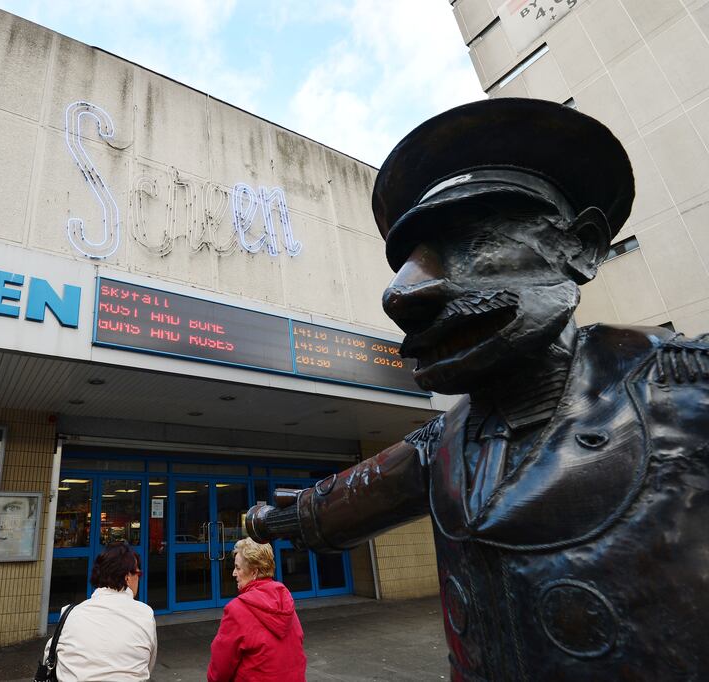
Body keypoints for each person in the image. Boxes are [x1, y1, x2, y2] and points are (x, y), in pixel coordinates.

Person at [247, 97, 709, 680]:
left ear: (582, 247)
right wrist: (261, 523)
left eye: (470, 239)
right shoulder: (443, 442)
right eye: (410, 260)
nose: (402, 293)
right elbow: (337, 502)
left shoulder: (687, 389)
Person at [44, 542, 157, 681]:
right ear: (128, 576)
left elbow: (49, 658)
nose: (139, 579)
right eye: (138, 573)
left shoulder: (70, 613)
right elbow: (148, 665)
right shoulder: (145, 614)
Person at [207, 538, 306, 681]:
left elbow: (219, 670)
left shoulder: (236, 610)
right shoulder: (285, 602)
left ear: (254, 572)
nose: (234, 573)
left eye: (238, 568)